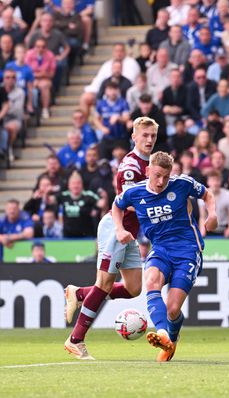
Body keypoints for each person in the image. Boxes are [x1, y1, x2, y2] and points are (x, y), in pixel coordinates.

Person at [63, 117, 157, 360]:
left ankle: (79, 293)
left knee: (134, 288)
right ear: (134, 137)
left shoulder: (151, 164)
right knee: (104, 284)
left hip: (130, 234)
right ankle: (75, 339)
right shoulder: (130, 166)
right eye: (144, 135)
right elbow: (129, 202)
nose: (149, 140)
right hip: (117, 229)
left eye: (152, 136)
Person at [113, 151, 217, 362]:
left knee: (173, 308)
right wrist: (119, 229)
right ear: (148, 170)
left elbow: (207, 194)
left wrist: (212, 214)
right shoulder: (135, 192)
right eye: (157, 175)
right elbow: (117, 205)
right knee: (150, 281)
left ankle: (172, 339)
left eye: (166, 177)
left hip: (188, 250)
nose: (161, 182)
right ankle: (162, 335)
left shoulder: (182, 184)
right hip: (160, 248)